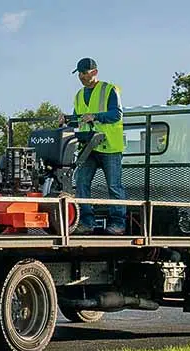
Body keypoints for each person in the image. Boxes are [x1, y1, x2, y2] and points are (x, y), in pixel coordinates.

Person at [63, 57, 126, 235]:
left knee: (114, 186)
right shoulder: (79, 95)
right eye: (79, 73)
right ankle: (86, 222)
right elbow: (78, 118)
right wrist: (67, 119)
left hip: (110, 147)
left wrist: (95, 116)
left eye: (84, 73)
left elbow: (116, 115)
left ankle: (118, 224)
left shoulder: (109, 90)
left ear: (94, 72)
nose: (81, 76)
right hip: (88, 146)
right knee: (82, 182)